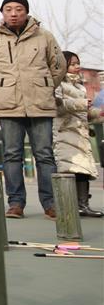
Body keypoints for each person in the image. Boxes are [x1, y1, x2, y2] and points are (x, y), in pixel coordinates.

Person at [0, 0, 66, 219]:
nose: (14, 13)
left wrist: (43, 86)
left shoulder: (44, 37)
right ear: (2, 13)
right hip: (9, 105)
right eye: (8, 9)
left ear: (26, 11)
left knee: (45, 155)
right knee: (11, 155)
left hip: (40, 104)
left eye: (18, 9)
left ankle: (51, 203)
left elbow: (58, 67)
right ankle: (15, 203)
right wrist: (3, 89)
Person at [54, 51, 102, 217]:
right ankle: (70, 205)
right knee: (70, 169)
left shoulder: (80, 86)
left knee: (83, 170)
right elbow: (58, 106)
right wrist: (81, 103)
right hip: (65, 132)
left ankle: (83, 204)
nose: (77, 67)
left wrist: (98, 113)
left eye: (77, 63)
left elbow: (84, 112)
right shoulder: (57, 84)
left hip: (80, 133)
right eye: (73, 64)